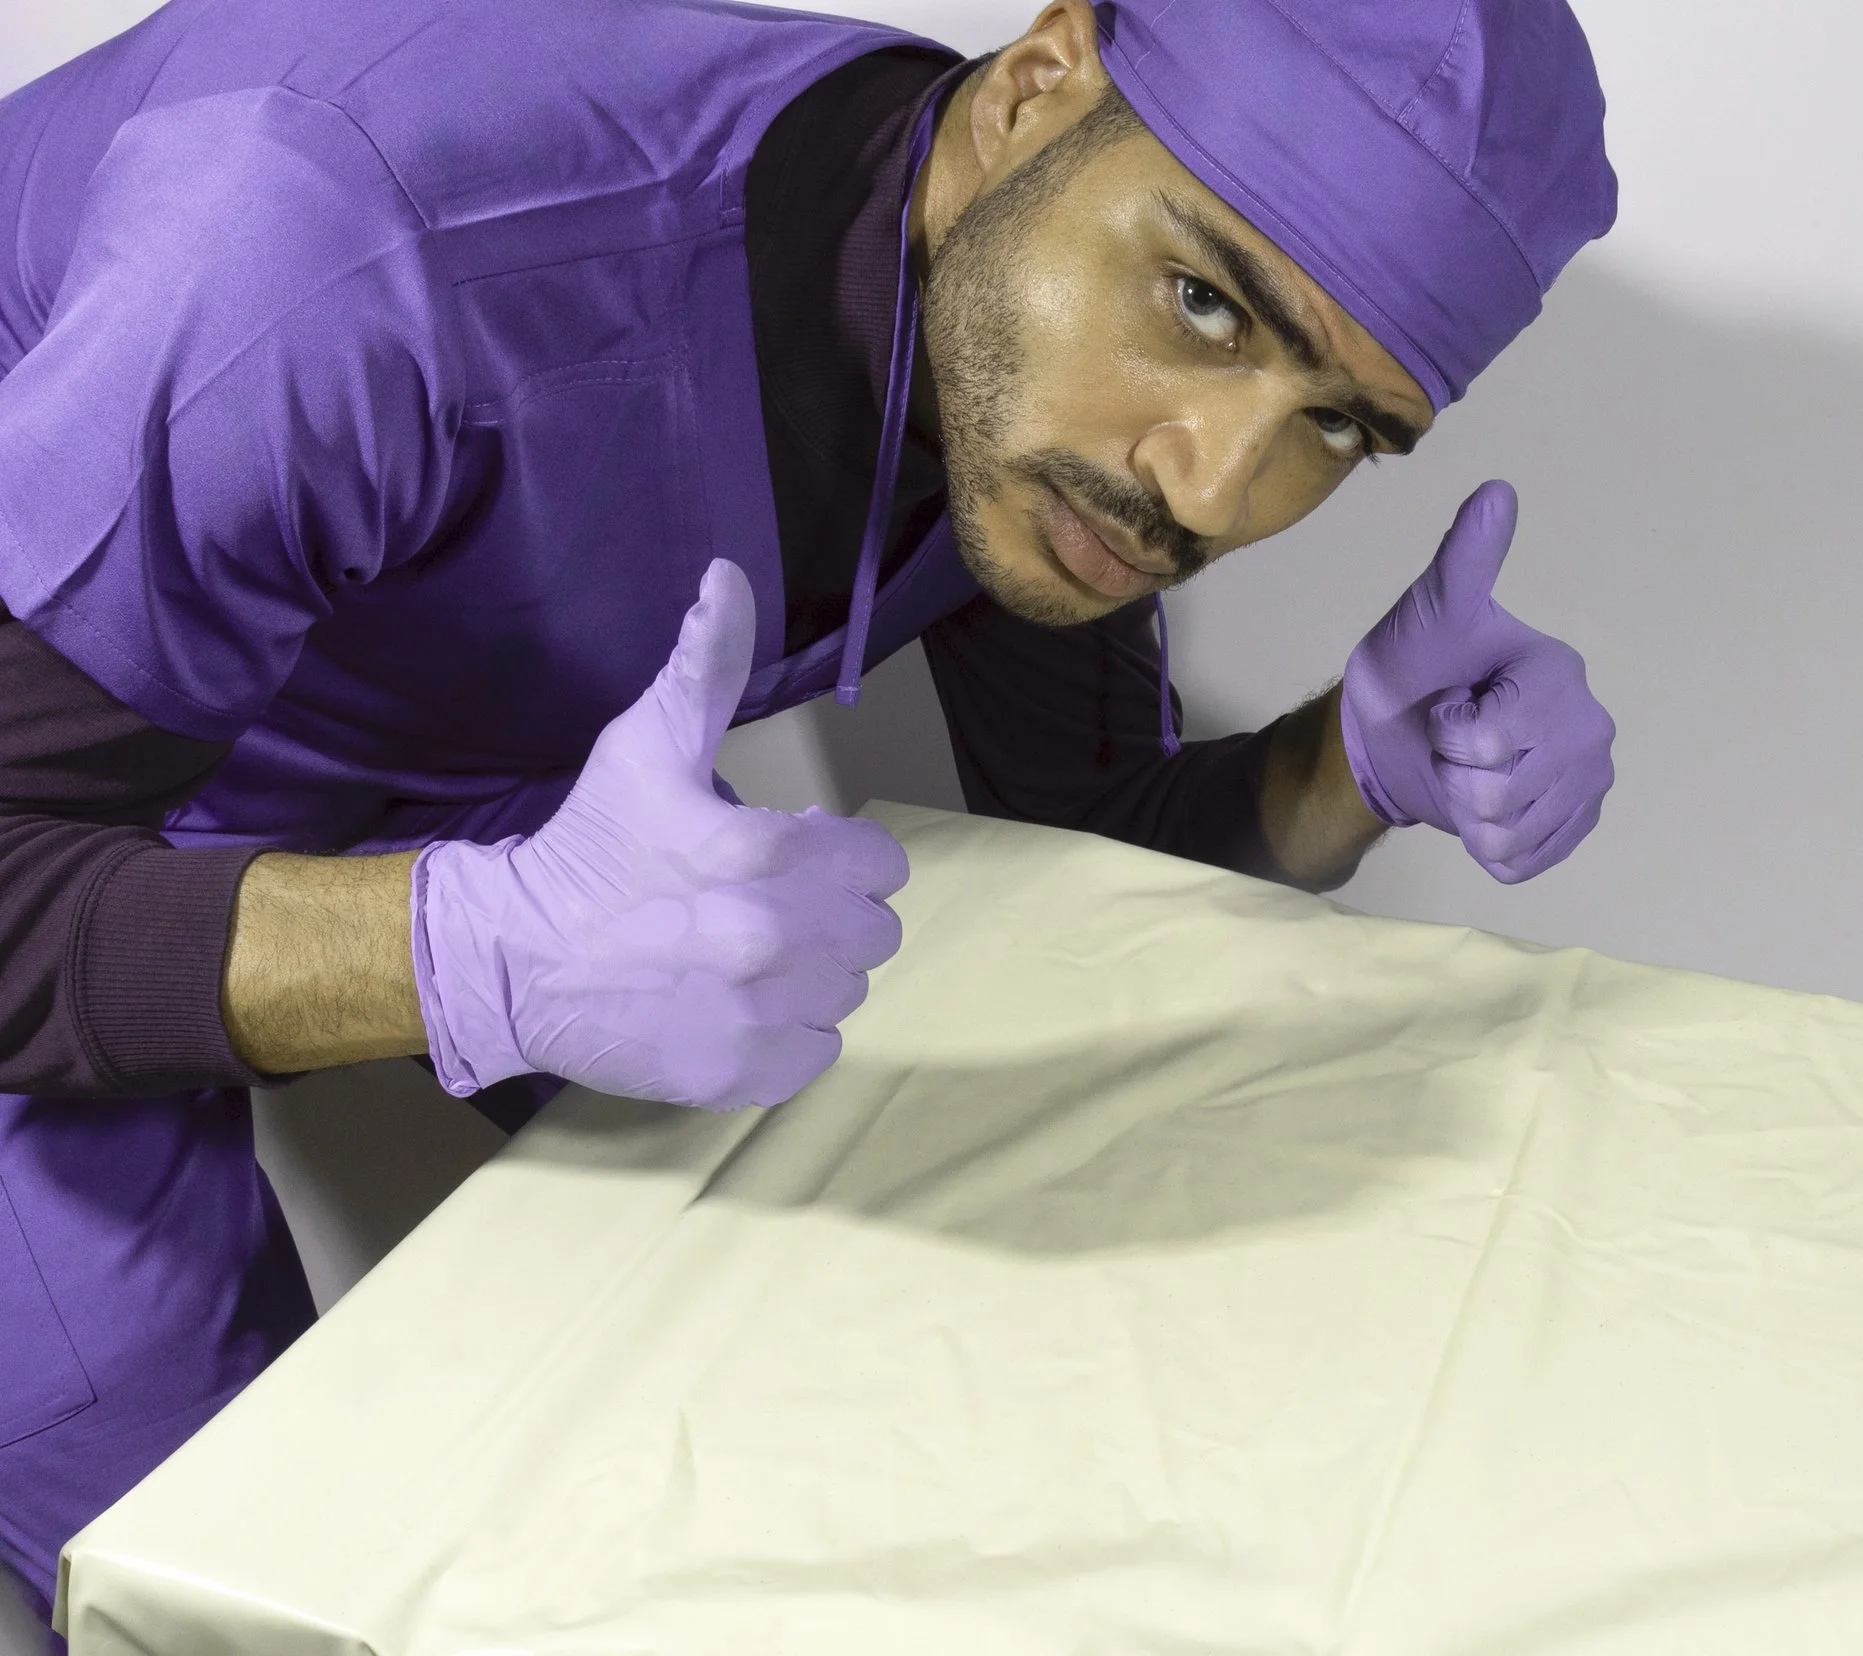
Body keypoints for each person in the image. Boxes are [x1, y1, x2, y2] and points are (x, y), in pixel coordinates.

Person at [0, 0, 1618, 1631]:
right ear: (1040, 88)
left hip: (378, 743)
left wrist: (1348, 768)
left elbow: (1084, 839)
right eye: (1201, 301)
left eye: (1337, 425)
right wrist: (455, 956)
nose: (1213, 491)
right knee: (236, 1555)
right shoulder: (345, 238)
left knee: (893, 1203)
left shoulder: (1019, 367)